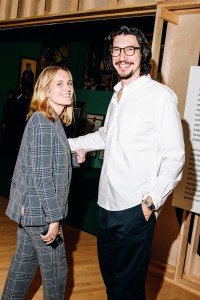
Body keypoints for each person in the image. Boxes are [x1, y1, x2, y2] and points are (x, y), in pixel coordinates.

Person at [68, 25, 185, 300]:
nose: (122, 56)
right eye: (117, 50)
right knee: (112, 282)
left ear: (142, 53)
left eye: (129, 49)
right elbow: (106, 136)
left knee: (128, 290)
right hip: (106, 205)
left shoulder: (160, 97)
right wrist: (69, 144)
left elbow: (175, 156)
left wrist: (151, 203)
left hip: (135, 209)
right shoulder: (117, 93)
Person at [2, 66, 85, 300]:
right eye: (59, 84)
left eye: (69, 83)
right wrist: (54, 218)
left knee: (22, 268)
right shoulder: (43, 122)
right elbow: (41, 176)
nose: (67, 88)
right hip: (41, 214)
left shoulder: (49, 119)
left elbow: (43, 161)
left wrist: (72, 159)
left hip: (31, 211)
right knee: (57, 275)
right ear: (46, 91)